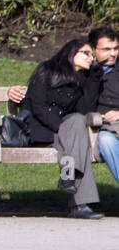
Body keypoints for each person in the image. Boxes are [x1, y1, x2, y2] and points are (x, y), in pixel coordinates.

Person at [9, 25, 119, 182]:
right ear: (94, 50)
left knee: (76, 134)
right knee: (94, 139)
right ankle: (73, 188)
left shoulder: (88, 73)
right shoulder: (76, 73)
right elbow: (41, 99)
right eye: (107, 49)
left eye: (116, 48)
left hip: (88, 126)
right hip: (87, 128)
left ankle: (70, 181)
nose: (113, 54)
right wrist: (13, 92)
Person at [19, 37, 104, 218]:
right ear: (71, 53)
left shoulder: (82, 79)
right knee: (76, 141)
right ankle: (79, 206)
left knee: (77, 123)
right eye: (85, 53)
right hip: (38, 127)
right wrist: (60, 128)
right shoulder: (46, 69)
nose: (91, 58)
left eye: (92, 55)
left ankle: (68, 178)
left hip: (66, 129)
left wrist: (94, 80)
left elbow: (85, 110)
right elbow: (37, 105)